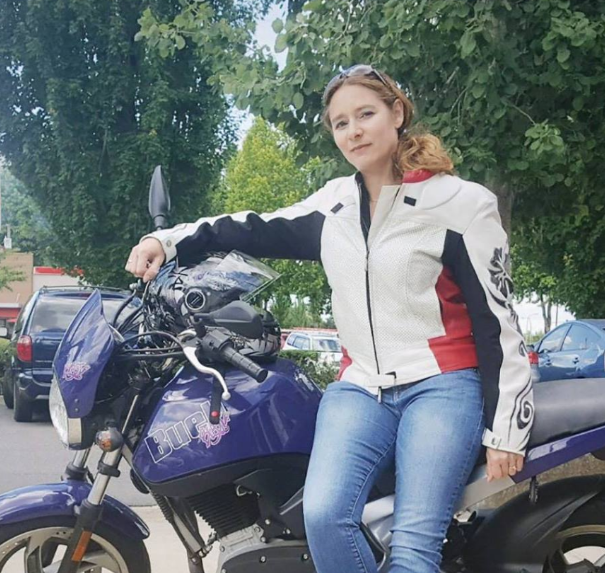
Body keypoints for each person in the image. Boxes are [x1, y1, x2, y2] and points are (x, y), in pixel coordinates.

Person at [126, 64, 533, 573]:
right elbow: (249, 227)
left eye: (366, 114)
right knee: (322, 517)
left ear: (397, 113)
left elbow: (498, 322)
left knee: (413, 546)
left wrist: (506, 430)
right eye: (341, 123)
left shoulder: (460, 204)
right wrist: (165, 240)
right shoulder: (334, 204)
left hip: (442, 386)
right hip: (360, 386)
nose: (354, 131)